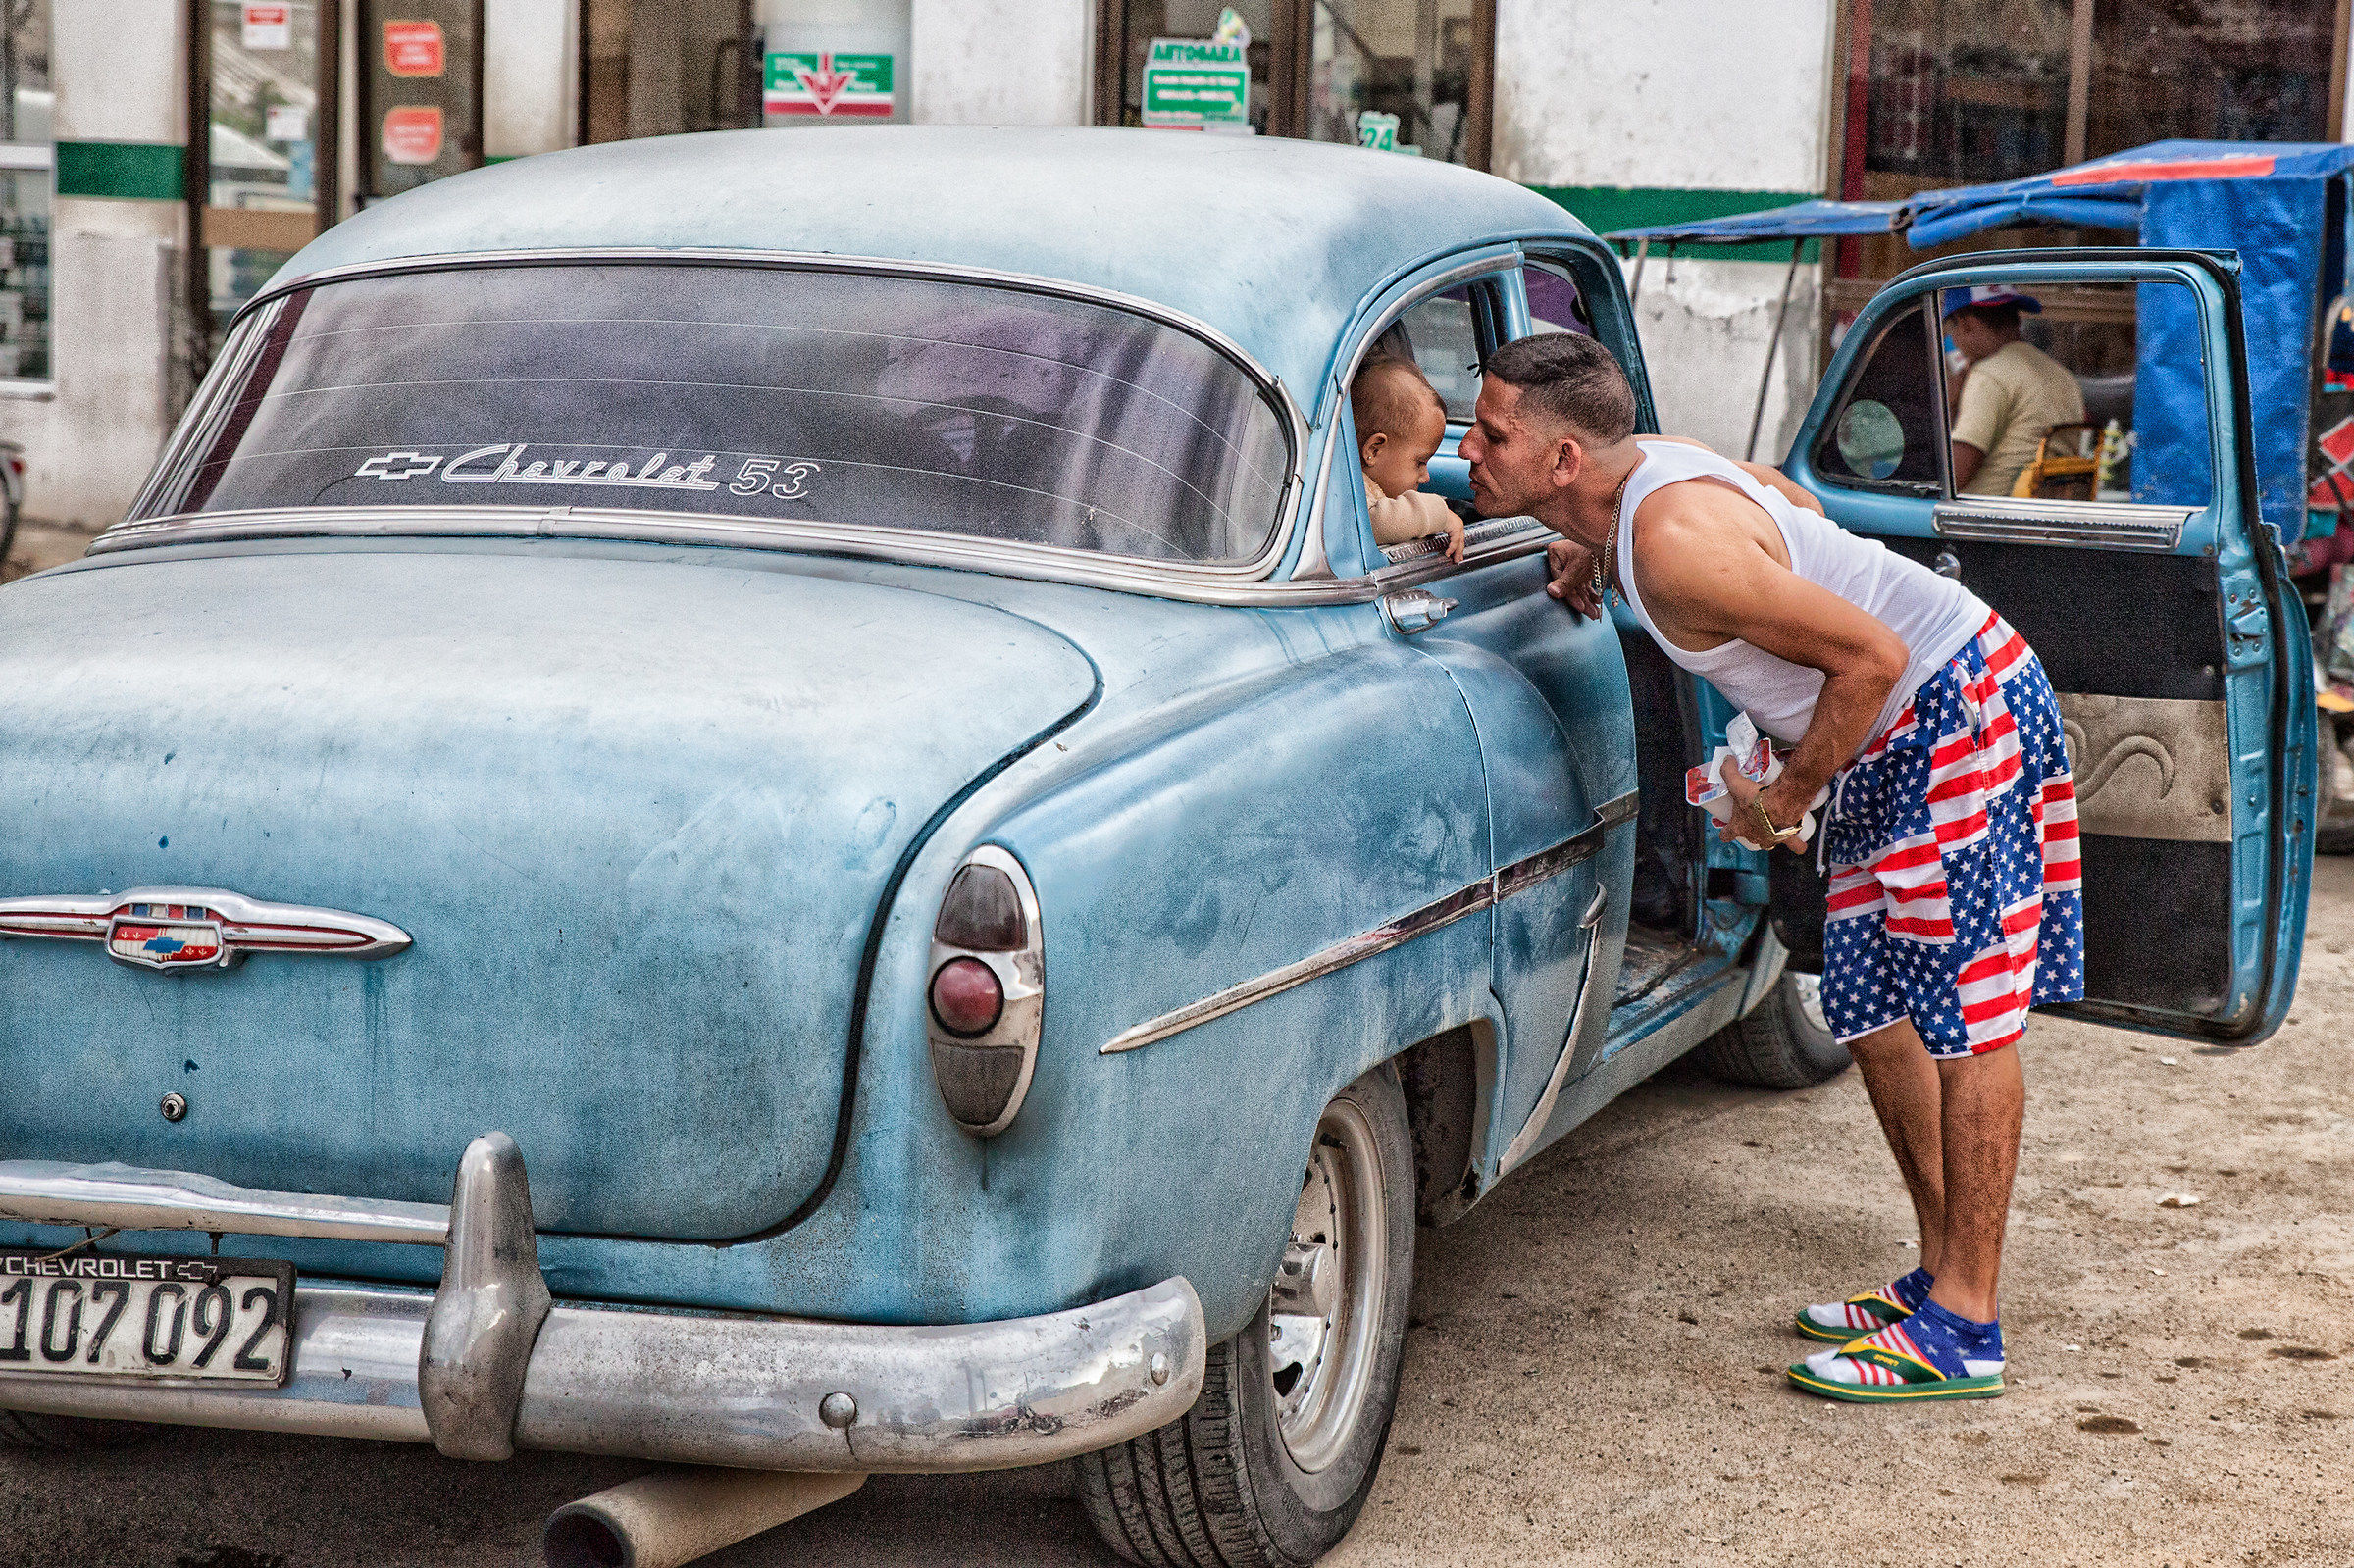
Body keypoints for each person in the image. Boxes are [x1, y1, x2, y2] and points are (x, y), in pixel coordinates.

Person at [1458, 331, 2083, 1403]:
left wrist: (1784, 799)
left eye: (1491, 434)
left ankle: (1968, 1325)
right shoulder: (1640, 485)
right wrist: (1595, 554)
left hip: (1953, 706)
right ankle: (1940, 1275)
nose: (1466, 447)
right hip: (1890, 729)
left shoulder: (1673, 544)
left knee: (1969, 1017)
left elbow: (1875, 656)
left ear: (1564, 461)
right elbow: (1779, 495)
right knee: (1875, 1009)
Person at [1943, 286, 2085, 497]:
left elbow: (1954, 476)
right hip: (2046, 511)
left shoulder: (1989, 374)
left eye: (1951, 331)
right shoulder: (2062, 375)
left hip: (1989, 513)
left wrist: (1949, 405)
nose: (1954, 342)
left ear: (1966, 325)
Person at [1352, 354, 1465, 562]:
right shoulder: (1351, 493)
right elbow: (1376, 522)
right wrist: (1442, 515)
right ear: (1374, 450)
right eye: (1420, 462)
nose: (1426, 477)